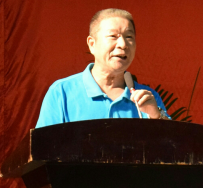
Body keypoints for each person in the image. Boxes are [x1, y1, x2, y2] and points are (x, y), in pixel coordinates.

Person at [36, 9, 170, 128]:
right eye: (113, 36)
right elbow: (42, 146)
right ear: (92, 44)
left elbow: (173, 144)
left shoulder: (148, 98)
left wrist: (156, 116)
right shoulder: (62, 92)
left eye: (129, 37)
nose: (123, 44)